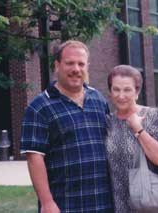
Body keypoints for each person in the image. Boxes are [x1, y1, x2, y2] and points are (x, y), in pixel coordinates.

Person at [20, 40, 113, 213]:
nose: (76, 69)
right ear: (57, 65)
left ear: (87, 67)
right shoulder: (39, 107)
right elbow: (34, 158)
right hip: (65, 204)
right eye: (69, 63)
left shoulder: (99, 100)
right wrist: (47, 202)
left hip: (103, 202)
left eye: (81, 64)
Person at [105, 65, 158, 212]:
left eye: (127, 90)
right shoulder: (108, 122)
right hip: (118, 204)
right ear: (110, 91)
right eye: (116, 89)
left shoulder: (152, 116)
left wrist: (138, 129)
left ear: (137, 91)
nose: (121, 96)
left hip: (148, 203)